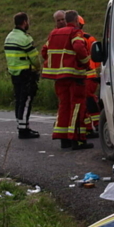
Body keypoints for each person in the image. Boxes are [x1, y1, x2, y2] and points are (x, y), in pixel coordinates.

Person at [40, 10, 93, 149]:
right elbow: (79, 48)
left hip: (59, 77)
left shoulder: (53, 33)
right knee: (77, 107)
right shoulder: (76, 32)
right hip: (75, 76)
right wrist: (86, 63)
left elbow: (44, 51)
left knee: (63, 106)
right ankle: (77, 140)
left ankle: (63, 139)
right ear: (76, 20)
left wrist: (56, 63)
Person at [4, 12, 41, 139]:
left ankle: (21, 126)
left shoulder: (9, 37)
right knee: (26, 101)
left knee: (19, 100)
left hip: (14, 73)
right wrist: (38, 68)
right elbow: (34, 58)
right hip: (26, 73)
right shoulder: (25, 38)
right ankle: (24, 129)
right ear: (24, 22)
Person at [78, 15, 101, 139]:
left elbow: (97, 55)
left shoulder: (86, 38)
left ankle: (97, 125)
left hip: (87, 76)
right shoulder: (88, 38)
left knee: (89, 101)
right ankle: (89, 128)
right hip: (87, 75)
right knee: (85, 102)